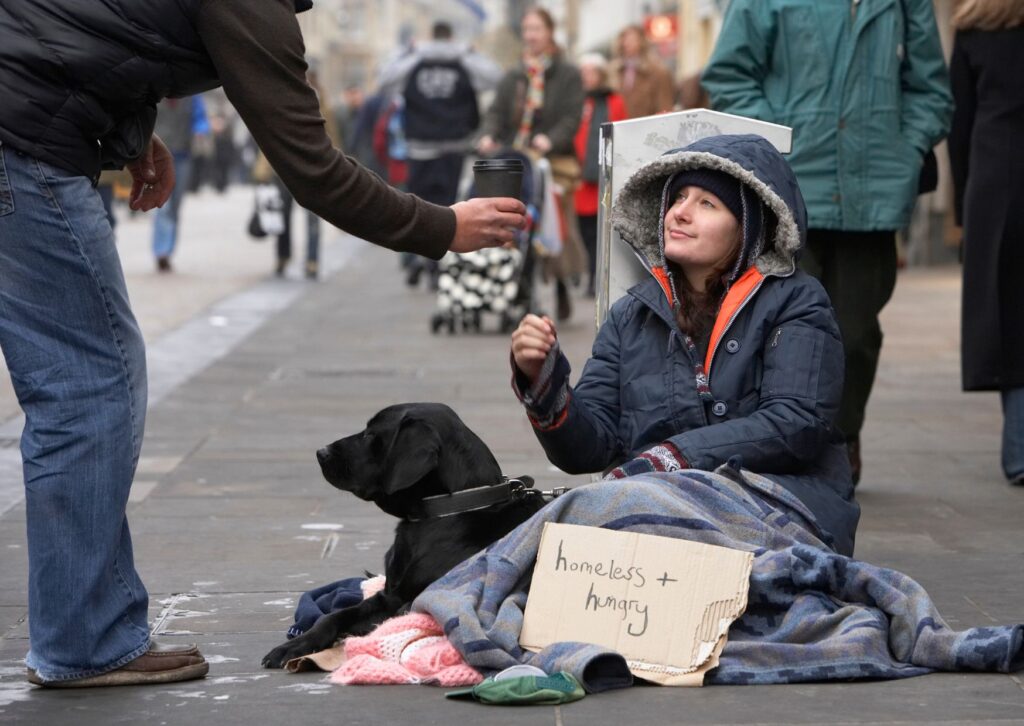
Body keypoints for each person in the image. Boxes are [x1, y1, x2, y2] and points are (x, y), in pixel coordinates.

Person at [0, 0, 525, 689]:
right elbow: (314, 170)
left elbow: (89, 36)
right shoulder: (253, 6)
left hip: (25, 131)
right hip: (24, 152)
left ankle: (80, 632)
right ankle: (84, 640)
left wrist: (127, 139)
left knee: (76, 386)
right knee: (89, 390)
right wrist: (443, 228)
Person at [510, 133, 860, 556]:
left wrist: (672, 458)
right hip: (658, 514)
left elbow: (795, 422)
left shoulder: (797, 301)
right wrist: (544, 383)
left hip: (775, 510)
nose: (680, 213)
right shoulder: (630, 315)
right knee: (535, 542)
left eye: (707, 204)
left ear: (748, 226)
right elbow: (591, 446)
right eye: (677, 198)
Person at [701, 0, 952, 485]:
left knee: (856, 331)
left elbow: (930, 90)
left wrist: (907, 146)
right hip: (792, 184)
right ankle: (787, 442)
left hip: (875, 185)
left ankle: (843, 432)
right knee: (780, 327)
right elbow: (730, 75)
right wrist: (778, 139)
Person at [947, 0, 1024, 487]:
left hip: (998, 178)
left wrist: (963, 213)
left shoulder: (976, 27)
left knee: (1010, 316)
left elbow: (960, 125)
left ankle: (1018, 449)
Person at [478, 6, 585, 322]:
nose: (531, 36)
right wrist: (488, 135)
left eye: (536, 29)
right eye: (526, 30)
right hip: (517, 158)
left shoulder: (567, 73)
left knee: (556, 223)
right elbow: (496, 113)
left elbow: (571, 116)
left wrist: (550, 140)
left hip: (554, 160)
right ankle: (518, 286)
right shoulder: (514, 74)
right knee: (513, 222)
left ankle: (562, 282)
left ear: (550, 32)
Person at [379, 20, 503, 289]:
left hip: (419, 146)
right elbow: (496, 78)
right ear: (451, 37)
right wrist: (469, 53)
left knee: (416, 205)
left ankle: (419, 260)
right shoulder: (463, 60)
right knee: (450, 207)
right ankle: (439, 264)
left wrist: (409, 52)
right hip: (454, 146)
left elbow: (384, 80)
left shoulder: (414, 58)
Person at [573, 52, 627, 298]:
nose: (585, 77)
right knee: (584, 230)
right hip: (580, 176)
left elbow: (620, 130)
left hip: (604, 176)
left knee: (601, 230)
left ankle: (598, 277)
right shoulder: (577, 100)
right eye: (583, 72)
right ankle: (588, 272)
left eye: (590, 72)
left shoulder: (614, 101)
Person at [151, 95, 209, 272]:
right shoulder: (155, 90)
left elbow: (200, 119)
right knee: (163, 204)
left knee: (175, 206)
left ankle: (168, 251)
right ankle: (161, 251)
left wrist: (201, 129)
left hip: (183, 156)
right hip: (158, 156)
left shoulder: (194, 96)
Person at [609, 24, 675, 120]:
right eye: (624, 39)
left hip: (647, 128)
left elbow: (664, 106)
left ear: (642, 41)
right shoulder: (614, 71)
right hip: (619, 127)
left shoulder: (657, 72)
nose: (626, 43)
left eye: (631, 40)